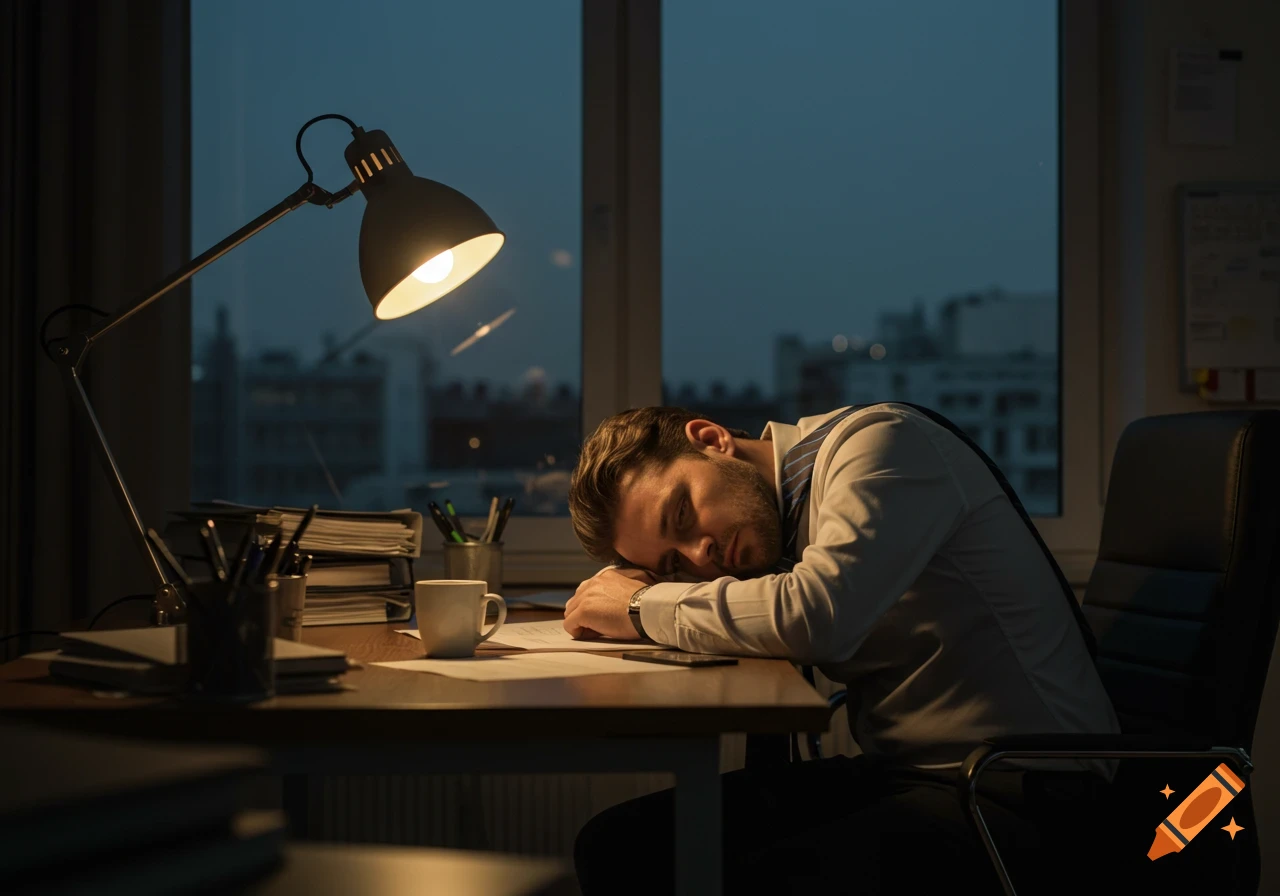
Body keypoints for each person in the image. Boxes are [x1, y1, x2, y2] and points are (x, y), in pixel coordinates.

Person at [564, 403, 1121, 895]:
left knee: (728, 873)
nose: (700, 556)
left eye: (682, 516)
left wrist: (640, 606)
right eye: (673, 563)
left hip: (1027, 794)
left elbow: (817, 615)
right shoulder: (775, 531)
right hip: (910, 775)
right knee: (618, 845)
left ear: (712, 440)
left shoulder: (880, 445)